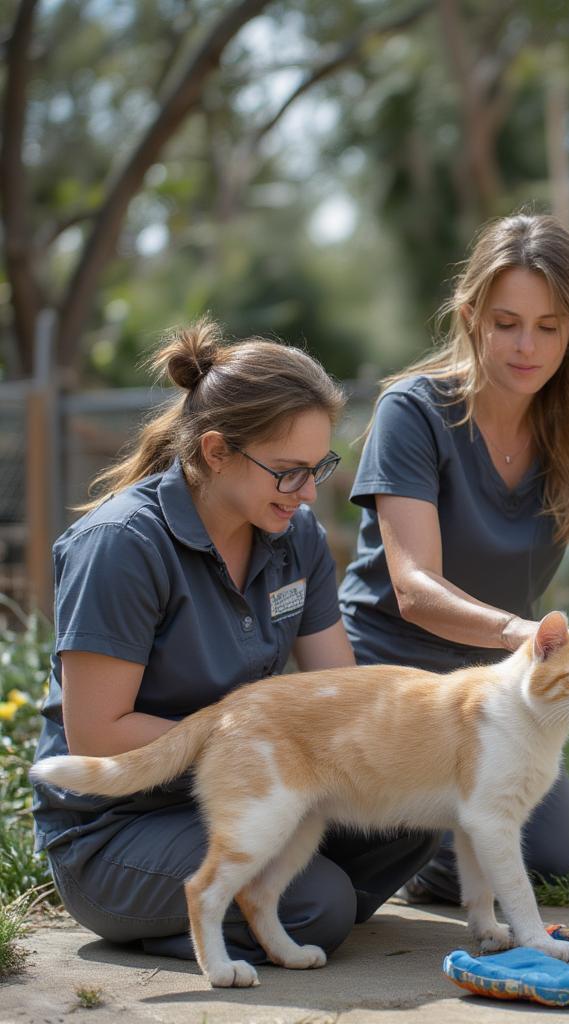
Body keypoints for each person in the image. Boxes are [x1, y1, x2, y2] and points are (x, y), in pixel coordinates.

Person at [32, 319, 437, 964]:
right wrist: (248, 741)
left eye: (318, 468)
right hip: (119, 825)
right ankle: (232, 915)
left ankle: (266, 902)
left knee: (415, 817)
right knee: (320, 903)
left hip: (256, 787)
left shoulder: (294, 536)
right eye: (288, 471)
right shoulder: (122, 546)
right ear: (217, 451)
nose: (308, 493)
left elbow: (341, 693)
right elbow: (96, 736)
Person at [339, 212, 569, 904]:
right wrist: (521, 637)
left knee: (558, 861)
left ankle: (433, 850)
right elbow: (414, 586)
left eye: (550, 326)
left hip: (502, 682)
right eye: (507, 323)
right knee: (371, 853)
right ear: (471, 316)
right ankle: (407, 837)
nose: (526, 346)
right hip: (393, 668)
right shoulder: (412, 411)